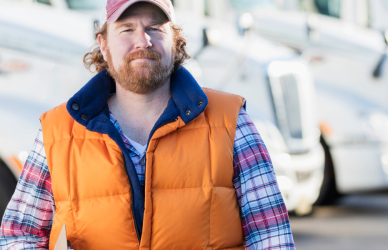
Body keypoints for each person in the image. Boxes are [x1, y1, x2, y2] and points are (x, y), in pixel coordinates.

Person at [0, 0, 295, 249]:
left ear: (175, 41)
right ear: (103, 44)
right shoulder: (58, 131)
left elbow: (271, 236)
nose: (143, 41)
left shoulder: (230, 121)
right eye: (127, 29)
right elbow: (20, 234)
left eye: (155, 27)